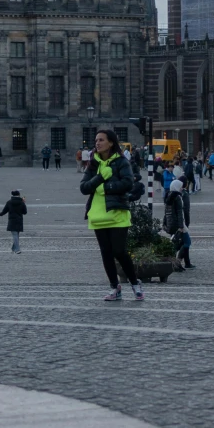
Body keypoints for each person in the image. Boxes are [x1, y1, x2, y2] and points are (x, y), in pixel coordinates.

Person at [80, 129, 144, 301]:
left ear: (111, 143)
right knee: (106, 253)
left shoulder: (121, 162)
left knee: (119, 251)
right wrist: (100, 178)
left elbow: (128, 183)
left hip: (117, 213)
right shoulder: (93, 164)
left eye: (101, 140)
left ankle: (135, 283)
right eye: (96, 140)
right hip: (98, 215)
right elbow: (83, 187)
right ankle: (114, 287)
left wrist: (106, 188)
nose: (97, 143)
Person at [163, 178, 186, 271]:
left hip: (170, 223)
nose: (182, 188)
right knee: (184, 243)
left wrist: (165, 223)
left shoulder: (168, 196)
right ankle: (175, 263)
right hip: (177, 224)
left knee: (176, 243)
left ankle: (175, 263)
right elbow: (180, 212)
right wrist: (181, 226)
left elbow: (166, 212)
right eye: (180, 187)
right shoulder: (177, 197)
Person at [178, 175, 196, 269]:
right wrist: (186, 222)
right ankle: (177, 262)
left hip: (181, 222)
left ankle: (187, 262)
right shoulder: (184, 194)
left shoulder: (179, 193)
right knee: (185, 242)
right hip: (183, 222)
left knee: (183, 242)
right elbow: (185, 210)